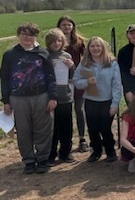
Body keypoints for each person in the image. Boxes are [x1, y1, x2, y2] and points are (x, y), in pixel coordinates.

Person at [1, 22, 57, 174]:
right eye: (24, 34)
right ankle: (29, 161)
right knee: (23, 130)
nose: (27, 37)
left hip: (41, 96)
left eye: (31, 34)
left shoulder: (43, 53)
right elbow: (4, 79)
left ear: (35, 37)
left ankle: (42, 159)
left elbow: (51, 76)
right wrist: (6, 101)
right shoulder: (9, 55)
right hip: (18, 99)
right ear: (18, 35)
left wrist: (53, 97)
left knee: (43, 129)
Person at [72, 36, 122, 162]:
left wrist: (115, 104)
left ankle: (110, 151)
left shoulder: (112, 63)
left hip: (107, 101)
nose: (95, 48)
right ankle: (96, 151)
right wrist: (86, 82)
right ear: (88, 49)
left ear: (103, 47)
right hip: (90, 101)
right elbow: (76, 81)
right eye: (92, 46)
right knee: (93, 128)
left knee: (105, 128)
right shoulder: (84, 64)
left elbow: (117, 85)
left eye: (98, 46)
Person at [57, 15, 88, 152]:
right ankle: (64, 141)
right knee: (65, 112)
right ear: (59, 27)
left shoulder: (79, 42)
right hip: (62, 82)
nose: (67, 27)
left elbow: (87, 57)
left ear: (73, 27)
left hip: (76, 80)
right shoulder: (55, 41)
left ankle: (82, 138)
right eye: (64, 25)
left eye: (69, 25)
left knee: (80, 110)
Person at [45, 28, 76, 165]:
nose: (56, 43)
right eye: (53, 41)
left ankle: (65, 153)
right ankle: (50, 154)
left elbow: (72, 77)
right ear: (48, 43)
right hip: (50, 98)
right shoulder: (44, 56)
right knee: (52, 129)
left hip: (65, 96)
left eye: (59, 40)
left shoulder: (67, 56)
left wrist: (72, 67)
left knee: (66, 127)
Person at [117, 24, 135, 103]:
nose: (134, 36)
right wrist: (127, 90)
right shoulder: (123, 52)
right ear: (127, 35)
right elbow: (123, 73)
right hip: (131, 87)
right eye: (131, 33)